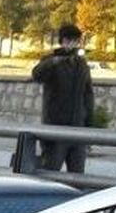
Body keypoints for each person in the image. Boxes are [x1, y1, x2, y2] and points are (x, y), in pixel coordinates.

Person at [32, 24, 95, 173]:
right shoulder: (51, 60)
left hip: (78, 128)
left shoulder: (81, 63)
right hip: (56, 128)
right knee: (50, 172)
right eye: (69, 40)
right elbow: (36, 75)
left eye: (76, 41)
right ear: (63, 40)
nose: (73, 44)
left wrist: (89, 126)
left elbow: (88, 94)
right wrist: (53, 62)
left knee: (77, 176)